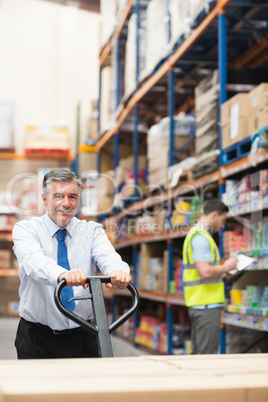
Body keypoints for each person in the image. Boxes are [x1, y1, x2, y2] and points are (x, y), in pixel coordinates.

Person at [13, 168, 132, 359]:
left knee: (84, 388)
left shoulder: (92, 231)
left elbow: (108, 256)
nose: (66, 203)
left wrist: (118, 271)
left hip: (83, 334)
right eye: (58, 196)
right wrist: (62, 275)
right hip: (37, 337)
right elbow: (33, 261)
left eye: (72, 196)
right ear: (45, 199)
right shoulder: (26, 229)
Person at [182, 198, 238, 354]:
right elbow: (205, 272)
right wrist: (226, 266)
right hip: (206, 305)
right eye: (222, 220)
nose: (222, 225)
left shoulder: (197, 234)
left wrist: (224, 271)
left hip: (200, 304)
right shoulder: (201, 238)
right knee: (206, 356)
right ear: (214, 215)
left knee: (199, 355)